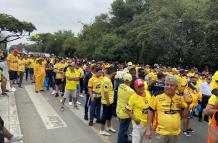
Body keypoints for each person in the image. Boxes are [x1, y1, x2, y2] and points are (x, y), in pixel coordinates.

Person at [146, 76, 187, 143]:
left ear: (176, 87)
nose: (168, 87)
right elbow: (150, 112)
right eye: (167, 84)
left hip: (174, 133)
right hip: (160, 133)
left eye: (171, 85)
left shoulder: (180, 98)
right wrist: (148, 129)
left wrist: (187, 105)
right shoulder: (156, 96)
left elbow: (184, 116)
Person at [126, 79, 151, 143]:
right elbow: (127, 110)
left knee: (146, 141)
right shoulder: (133, 97)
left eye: (142, 85)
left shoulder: (147, 93)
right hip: (139, 124)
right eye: (139, 86)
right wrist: (135, 119)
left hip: (148, 123)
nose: (141, 88)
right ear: (135, 87)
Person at [116, 74, 135, 143]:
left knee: (123, 128)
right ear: (131, 81)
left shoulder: (120, 86)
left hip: (119, 109)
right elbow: (133, 102)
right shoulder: (131, 91)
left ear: (124, 80)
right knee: (122, 129)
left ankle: (125, 140)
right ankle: (120, 141)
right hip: (126, 113)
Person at [100, 67, 116, 136]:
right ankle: (102, 130)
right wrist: (108, 101)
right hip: (107, 101)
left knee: (109, 115)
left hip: (110, 100)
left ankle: (109, 127)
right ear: (112, 73)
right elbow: (105, 92)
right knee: (104, 115)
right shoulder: (106, 80)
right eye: (114, 74)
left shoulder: (108, 79)